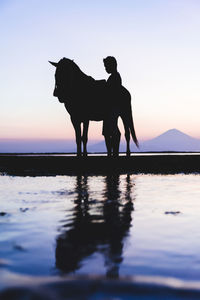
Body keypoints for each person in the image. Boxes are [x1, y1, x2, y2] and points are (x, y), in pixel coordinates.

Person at [102, 56, 122, 157]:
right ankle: (111, 153)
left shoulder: (115, 77)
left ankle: (114, 153)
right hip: (109, 108)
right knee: (107, 132)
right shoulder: (113, 77)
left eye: (106, 66)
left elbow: (111, 92)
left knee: (112, 131)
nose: (105, 68)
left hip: (112, 108)